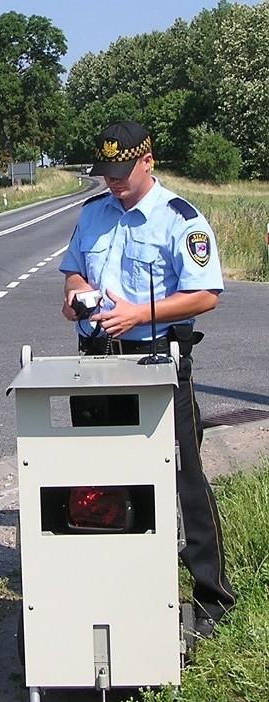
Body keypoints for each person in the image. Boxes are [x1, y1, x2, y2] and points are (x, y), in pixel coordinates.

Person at [59, 120, 235, 639]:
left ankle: (211, 597)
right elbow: (72, 270)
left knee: (183, 477)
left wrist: (139, 315)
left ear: (147, 161)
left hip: (158, 361)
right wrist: (75, 295)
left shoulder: (181, 220)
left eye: (122, 174)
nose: (114, 184)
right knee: (97, 478)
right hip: (96, 358)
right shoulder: (93, 214)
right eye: (107, 175)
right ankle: (113, 588)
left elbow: (206, 295)